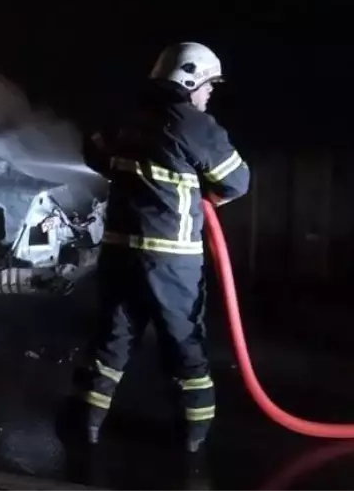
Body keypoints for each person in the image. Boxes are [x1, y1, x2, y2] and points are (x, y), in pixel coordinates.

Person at [70, 42, 250, 453]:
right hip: (172, 259)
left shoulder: (124, 115)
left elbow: (96, 154)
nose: (209, 94)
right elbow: (237, 182)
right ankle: (193, 438)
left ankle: (86, 425)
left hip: (119, 253)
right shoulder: (194, 125)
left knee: (111, 340)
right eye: (207, 85)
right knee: (184, 343)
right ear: (188, 81)